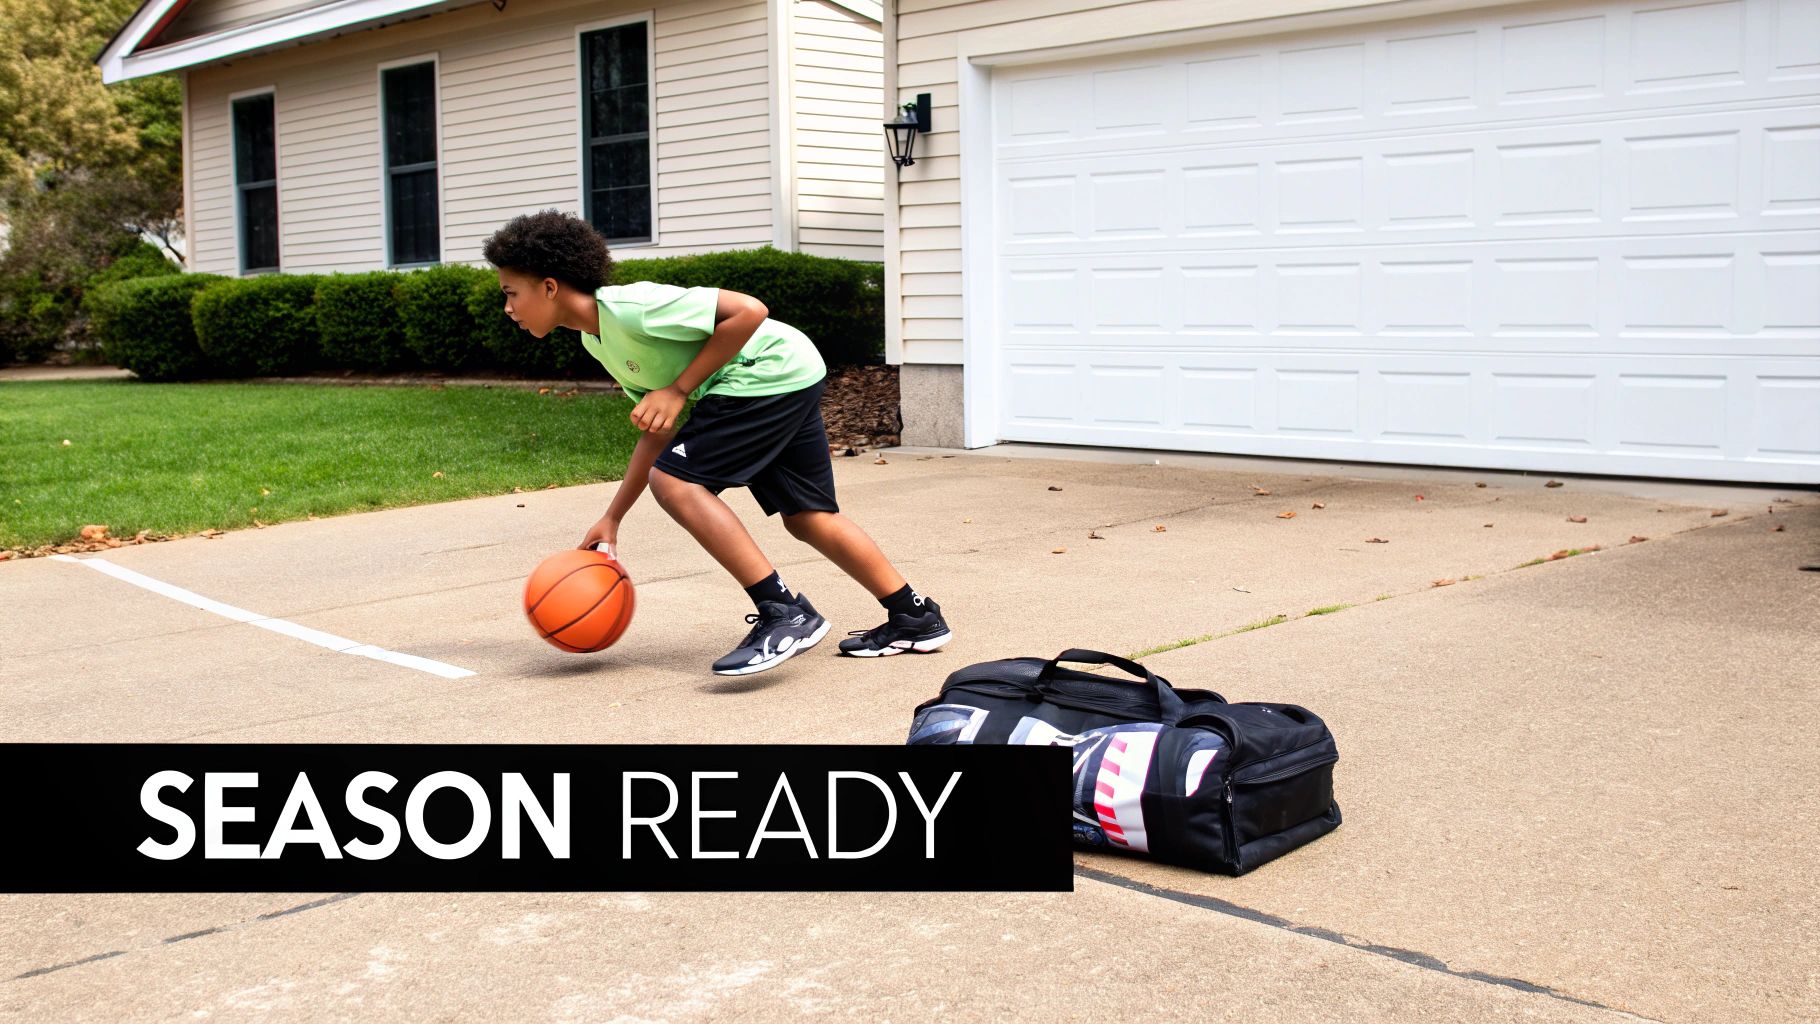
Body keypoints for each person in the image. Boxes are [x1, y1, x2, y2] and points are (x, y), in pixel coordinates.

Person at [482, 210, 952, 675]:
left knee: (677, 483)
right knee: (808, 518)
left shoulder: (632, 307)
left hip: (764, 372)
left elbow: (749, 311)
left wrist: (680, 388)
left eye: (511, 293)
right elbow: (658, 426)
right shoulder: (597, 340)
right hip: (790, 369)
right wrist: (612, 517)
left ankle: (784, 612)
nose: (507, 308)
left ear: (549, 287)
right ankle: (915, 616)